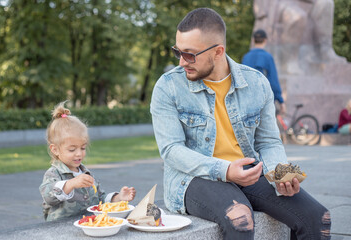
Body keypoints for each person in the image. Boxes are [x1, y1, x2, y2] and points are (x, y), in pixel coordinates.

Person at [150, 8, 330, 240]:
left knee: (318, 218)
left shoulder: (257, 84)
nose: (182, 61)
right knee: (240, 219)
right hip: (194, 178)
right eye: (178, 52)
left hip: (248, 172)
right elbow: (171, 150)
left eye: (190, 54)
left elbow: (268, 141)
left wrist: (278, 175)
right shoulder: (168, 87)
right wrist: (224, 170)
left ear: (218, 51)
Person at [39, 101, 136, 221]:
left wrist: (119, 198)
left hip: (86, 226)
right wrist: (71, 184)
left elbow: (100, 200)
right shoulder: (54, 173)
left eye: (83, 148)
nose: (79, 153)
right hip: (60, 230)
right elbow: (48, 196)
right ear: (55, 149)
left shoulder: (85, 172)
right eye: (72, 149)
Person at [242, 29, 286, 114]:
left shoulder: (246, 57)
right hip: (264, 101)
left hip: (247, 101)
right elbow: (273, 81)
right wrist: (280, 101)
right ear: (265, 40)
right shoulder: (268, 57)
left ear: (253, 40)